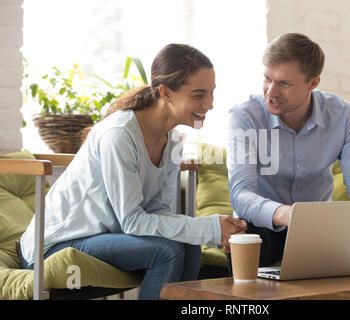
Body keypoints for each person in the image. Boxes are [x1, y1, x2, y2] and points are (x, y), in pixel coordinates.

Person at [20, 43, 247, 300]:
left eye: (211, 93)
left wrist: (207, 231)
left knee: (190, 246)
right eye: (198, 95)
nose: (210, 104)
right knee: (167, 251)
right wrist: (209, 228)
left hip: (103, 236)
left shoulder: (171, 139)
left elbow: (158, 210)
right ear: (166, 93)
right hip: (54, 245)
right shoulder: (119, 134)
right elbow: (133, 221)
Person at [226, 33, 350, 270]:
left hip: (321, 229)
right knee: (241, 236)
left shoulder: (341, 115)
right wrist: (286, 214)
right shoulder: (245, 117)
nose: (270, 92)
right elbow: (241, 194)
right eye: (267, 78)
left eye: (284, 83)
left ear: (313, 83)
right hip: (265, 226)